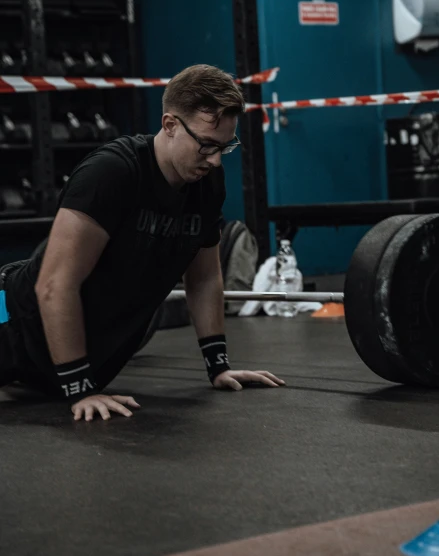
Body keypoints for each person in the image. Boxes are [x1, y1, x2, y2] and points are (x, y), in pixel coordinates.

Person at [0, 64, 285, 421]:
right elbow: (55, 285)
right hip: (10, 320)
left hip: (68, 365)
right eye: (206, 146)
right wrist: (81, 388)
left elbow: (204, 278)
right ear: (169, 125)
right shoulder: (112, 172)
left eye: (224, 148)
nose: (214, 160)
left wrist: (218, 366)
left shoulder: (206, 184)